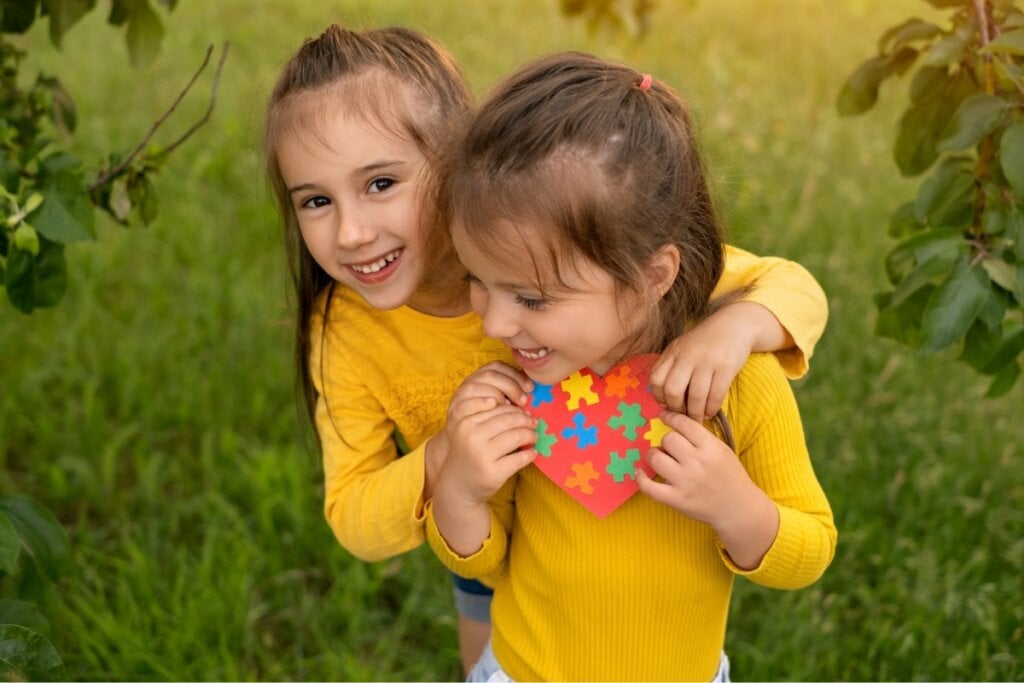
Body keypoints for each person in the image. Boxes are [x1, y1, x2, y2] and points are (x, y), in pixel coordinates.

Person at [263, 25, 829, 674]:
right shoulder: (350, 334)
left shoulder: (560, 239)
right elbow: (357, 516)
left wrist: (737, 327)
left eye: (381, 183)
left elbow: (789, 284)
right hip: (475, 510)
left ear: (454, 167)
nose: (353, 231)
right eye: (314, 199)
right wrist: (452, 460)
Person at [426, 51, 837, 681]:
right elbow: (482, 561)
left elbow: (809, 552)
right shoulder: (513, 381)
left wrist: (735, 507)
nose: (495, 324)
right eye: (480, 282)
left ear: (653, 276)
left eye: (532, 298)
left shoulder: (736, 384)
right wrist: (459, 488)